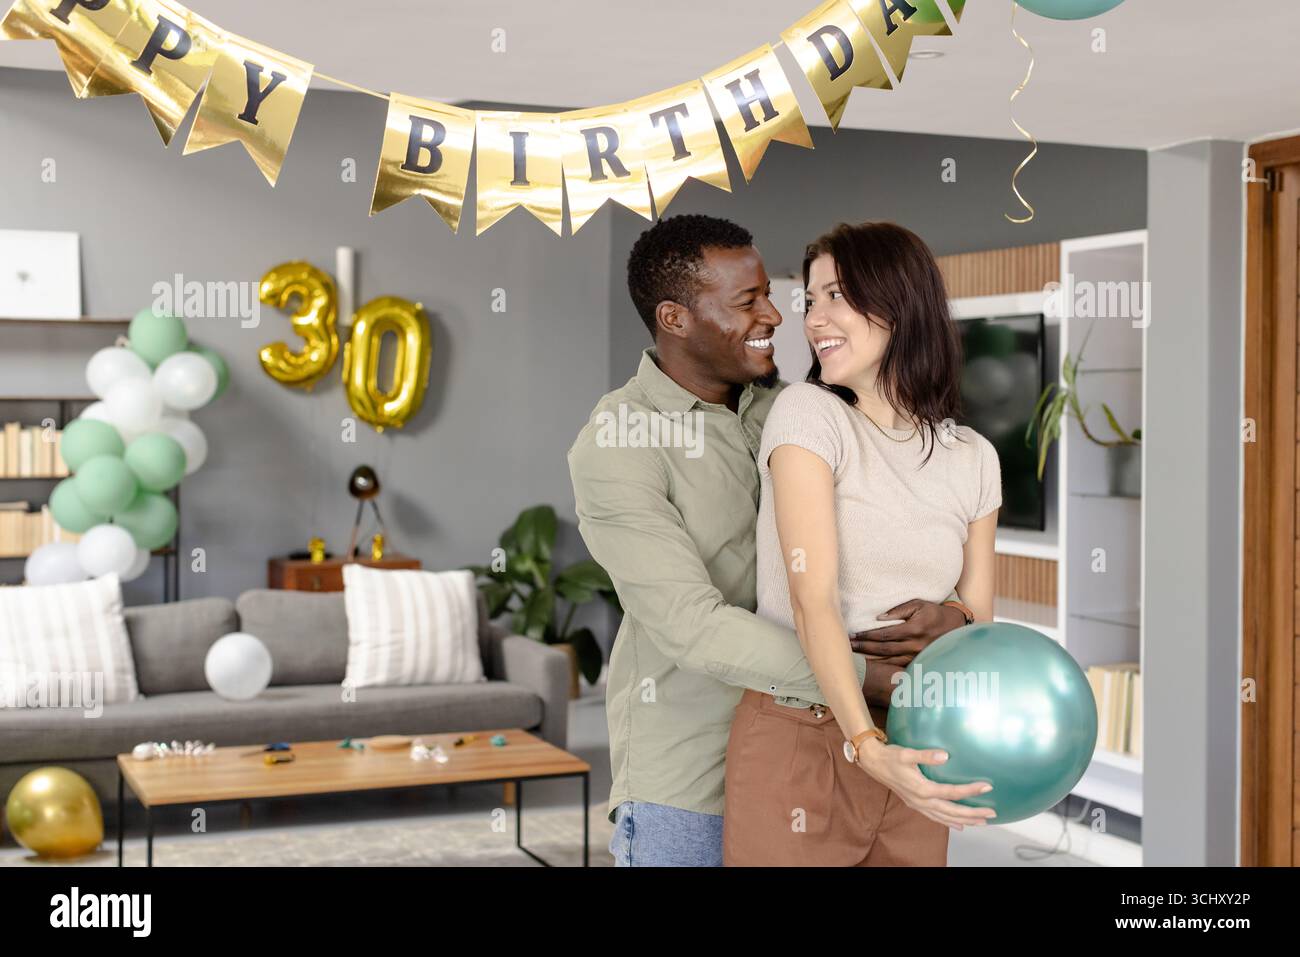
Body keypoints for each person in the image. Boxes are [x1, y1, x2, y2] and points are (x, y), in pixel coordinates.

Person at [567, 214, 978, 867]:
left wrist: (952, 614)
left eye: (771, 293)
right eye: (747, 301)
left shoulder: (803, 409)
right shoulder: (618, 444)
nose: (777, 316)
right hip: (692, 779)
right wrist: (870, 677)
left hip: (820, 754)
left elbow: (901, 530)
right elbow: (693, 626)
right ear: (675, 319)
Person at [722, 221, 1002, 867]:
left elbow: (981, 621)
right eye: (811, 300)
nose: (814, 318)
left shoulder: (974, 458)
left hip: (918, 737)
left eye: (836, 295)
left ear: (899, 304)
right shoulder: (809, 416)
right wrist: (866, 744)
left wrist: (954, 617)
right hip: (806, 737)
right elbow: (810, 595)